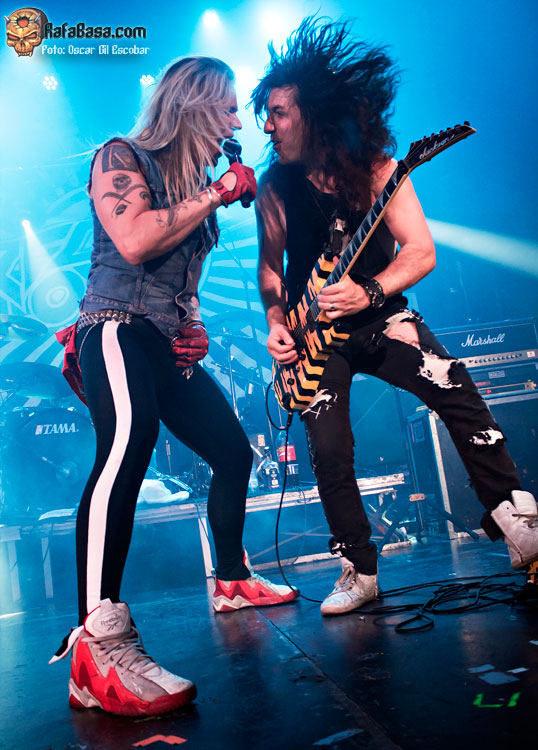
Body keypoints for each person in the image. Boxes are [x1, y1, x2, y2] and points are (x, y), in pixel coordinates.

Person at [253, 18, 538, 617]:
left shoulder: (380, 170)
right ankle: (359, 569)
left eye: (278, 112)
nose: (268, 125)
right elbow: (270, 269)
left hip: (379, 316)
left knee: (453, 385)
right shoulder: (274, 187)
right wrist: (278, 319)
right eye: (266, 114)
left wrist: (370, 292)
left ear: (314, 112)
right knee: (329, 448)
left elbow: (421, 251)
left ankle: (518, 523)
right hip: (314, 338)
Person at [51, 56, 298, 718]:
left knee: (233, 452)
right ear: (194, 103)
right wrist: (217, 192)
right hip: (113, 330)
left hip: (163, 343)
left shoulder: (195, 193)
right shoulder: (121, 157)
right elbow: (134, 242)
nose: (237, 123)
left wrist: (195, 328)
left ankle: (233, 581)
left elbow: (179, 285)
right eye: (228, 108)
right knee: (127, 444)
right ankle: (96, 645)